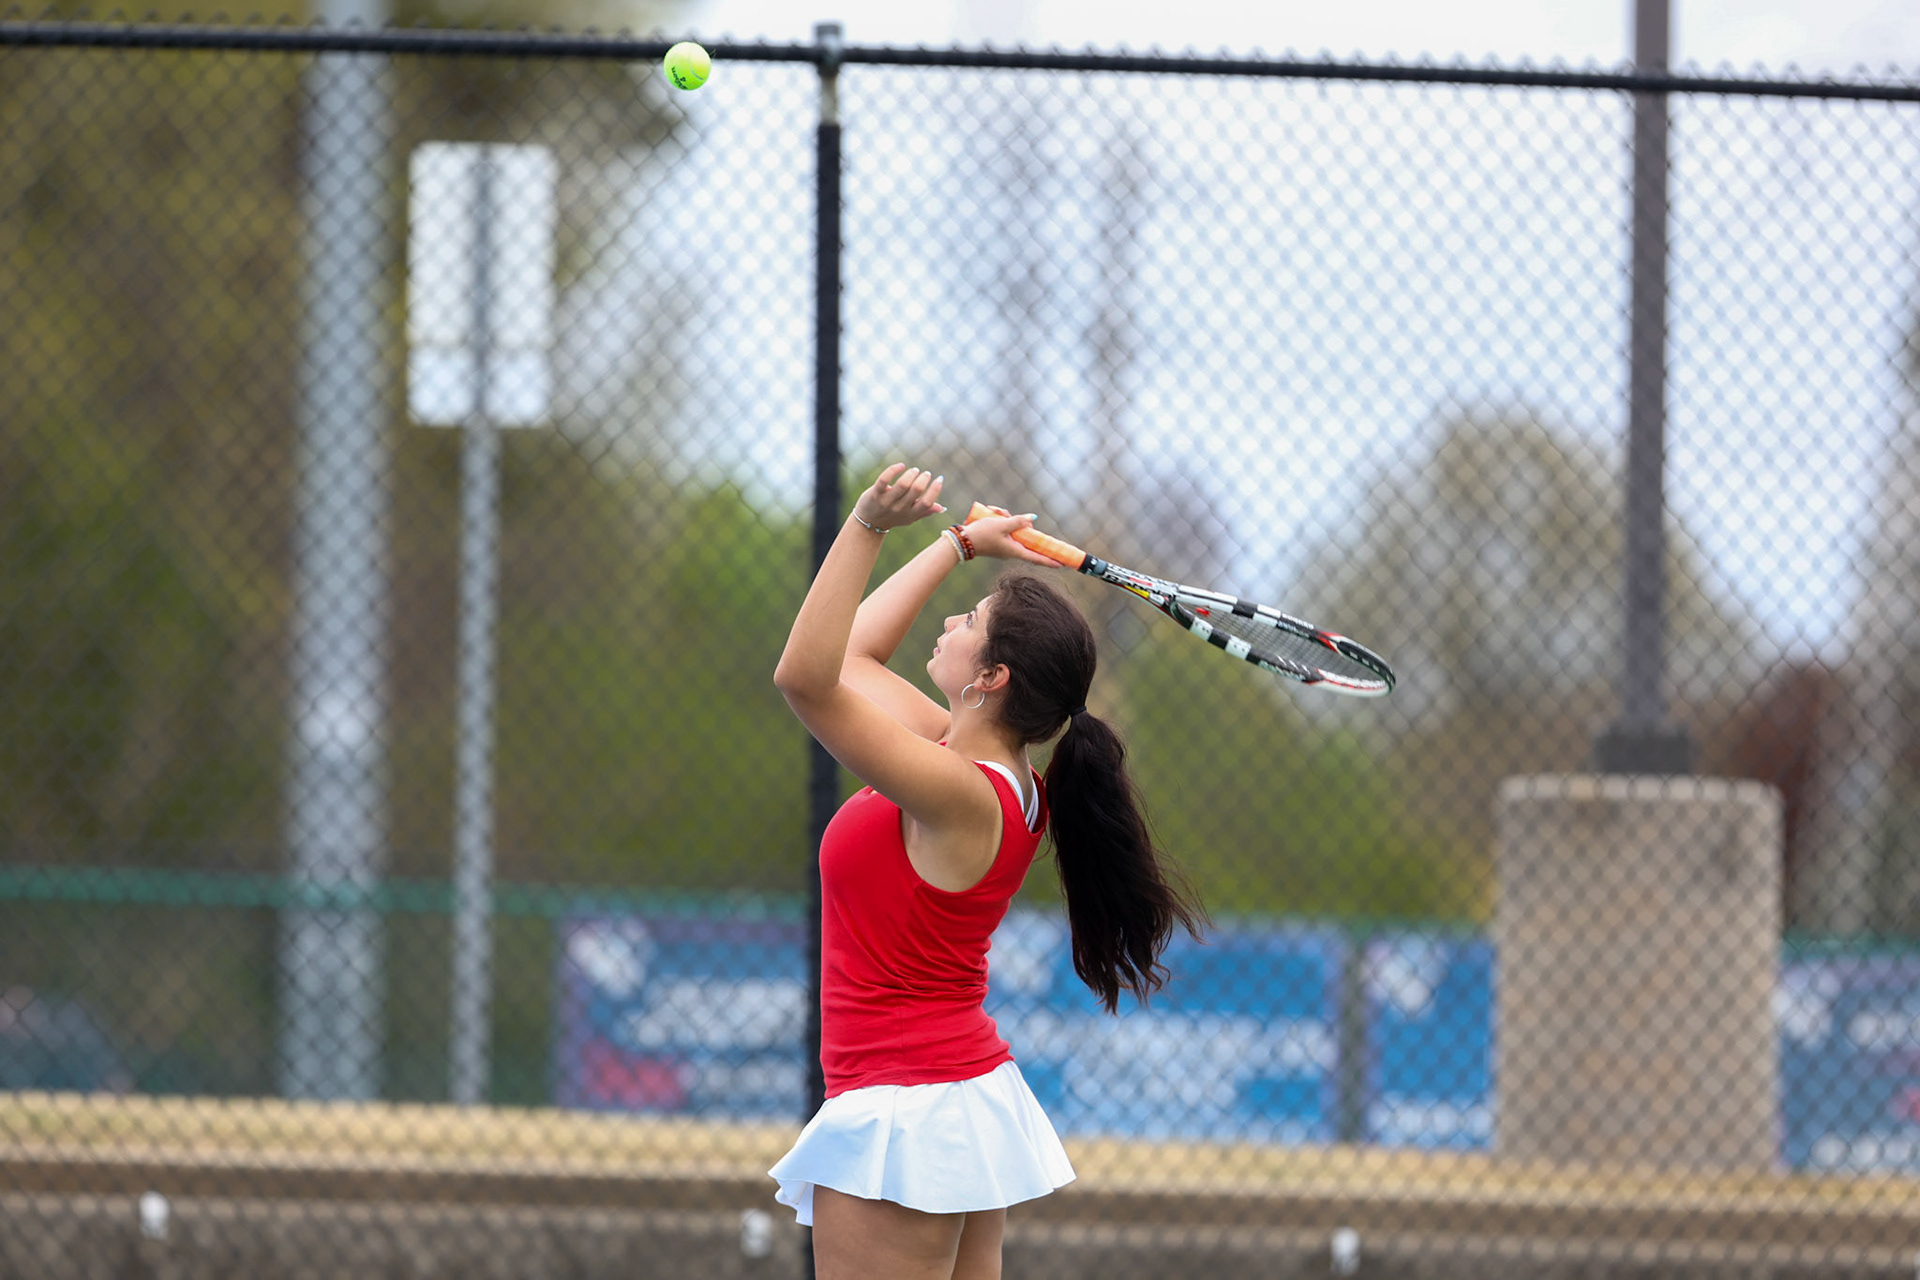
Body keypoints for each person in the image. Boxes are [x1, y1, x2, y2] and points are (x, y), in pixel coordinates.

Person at [770, 463, 1206, 1280]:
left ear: (991, 677)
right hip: (945, 1100)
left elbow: (806, 677)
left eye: (968, 619)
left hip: (907, 1112)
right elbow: (856, 657)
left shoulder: (960, 794)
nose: (949, 620)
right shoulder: (971, 769)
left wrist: (867, 523)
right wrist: (958, 545)